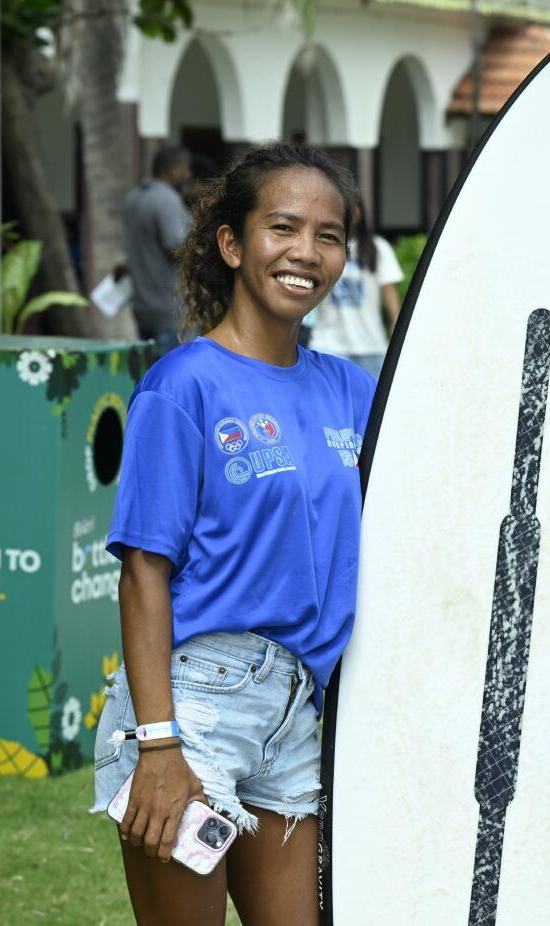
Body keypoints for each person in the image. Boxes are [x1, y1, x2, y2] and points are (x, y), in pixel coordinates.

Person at [92, 142, 375, 924]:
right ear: (231, 242)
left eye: (329, 235)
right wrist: (158, 746)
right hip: (191, 707)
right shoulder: (183, 386)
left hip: (297, 713)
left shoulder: (353, 391)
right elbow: (143, 571)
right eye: (283, 227)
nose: (307, 253)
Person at [304, 195, 403, 375]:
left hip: (370, 344)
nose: (350, 213)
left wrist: (397, 331)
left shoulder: (379, 248)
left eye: (353, 208)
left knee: (373, 402)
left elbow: (390, 294)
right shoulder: (319, 245)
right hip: (327, 342)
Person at [123, 146, 193, 356]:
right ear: (174, 170)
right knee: (173, 378)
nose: (188, 175)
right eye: (185, 169)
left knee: (150, 374)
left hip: (142, 305)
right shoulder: (166, 201)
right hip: (167, 308)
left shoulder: (133, 197)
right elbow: (175, 248)